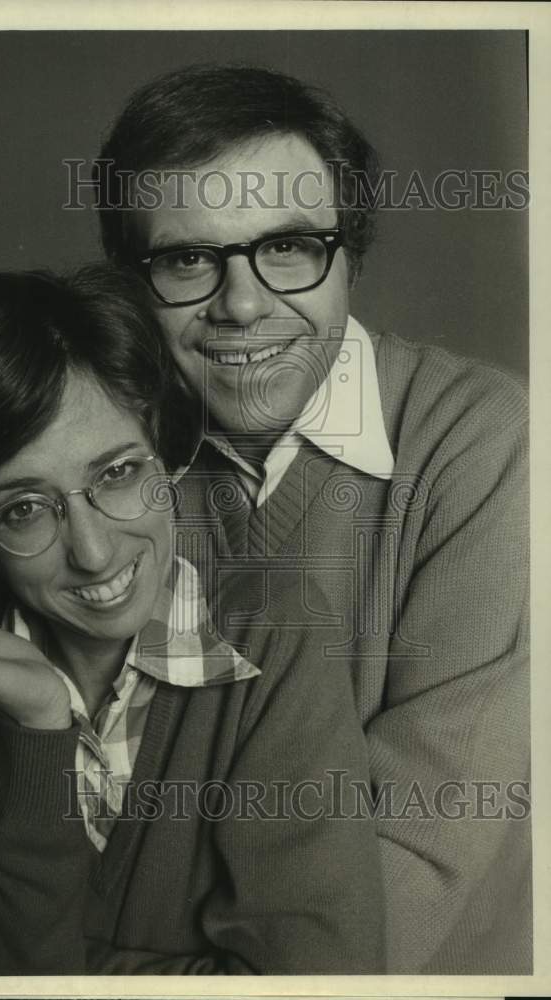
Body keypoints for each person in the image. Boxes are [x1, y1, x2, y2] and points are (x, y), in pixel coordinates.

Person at [96, 64, 531, 973]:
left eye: (289, 247)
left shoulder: (487, 442)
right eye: (188, 259)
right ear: (134, 284)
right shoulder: (99, 458)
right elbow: (53, 837)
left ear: (351, 253)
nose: (243, 304)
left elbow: (431, 840)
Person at [0, 264, 385, 975]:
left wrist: (71, 968)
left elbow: (319, 986)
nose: (93, 553)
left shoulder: (273, 634)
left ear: (167, 444)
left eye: (119, 473)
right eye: (24, 508)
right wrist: (36, 723)